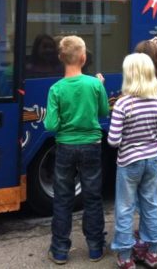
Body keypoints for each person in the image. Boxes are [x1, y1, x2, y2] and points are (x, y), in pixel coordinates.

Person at [44, 36, 109, 265]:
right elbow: (104, 112)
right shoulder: (94, 84)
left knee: (62, 198)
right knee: (92, 196)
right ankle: (95, 248)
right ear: (83, 58)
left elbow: (50, 125)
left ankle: (60, 250)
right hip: (92, 145)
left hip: (65, 147)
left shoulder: (56, 89)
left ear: (61, 58)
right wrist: (100, 87)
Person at [108, 53, 157, 269]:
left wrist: (128, 139)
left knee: (125, 207)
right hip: (151, 160)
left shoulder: (123, 104)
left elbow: (113, 140)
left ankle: (126, 256)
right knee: (150, 203)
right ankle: (152, 252)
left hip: (128, 162)